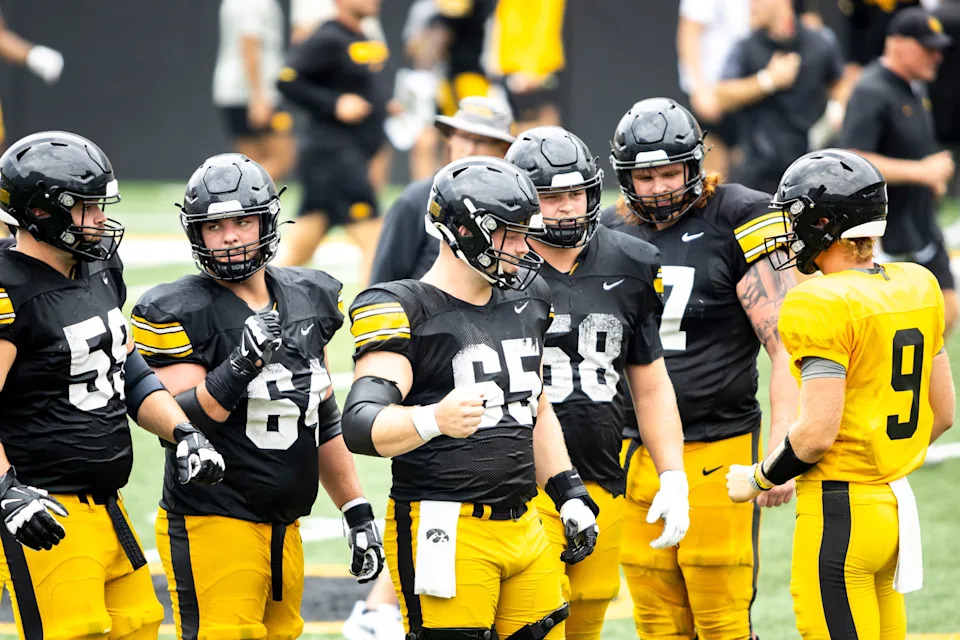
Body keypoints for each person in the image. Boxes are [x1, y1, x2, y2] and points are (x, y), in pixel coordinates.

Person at [342, 156, 600, 639]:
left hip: (525, 522)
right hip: (445, 524)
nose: (526, 247)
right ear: (465, 231)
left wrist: (569, 492)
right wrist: (432, 419)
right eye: (511, 233)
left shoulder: (531, 297)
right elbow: (360, 423)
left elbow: (535, 404)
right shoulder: (402, 306)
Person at [131, 153, 384, 639]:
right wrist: (240, 366)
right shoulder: (176, 309)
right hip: (213, 520)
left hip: (284, 524)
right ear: (196, 234)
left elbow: (321, 414)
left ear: (267, 221)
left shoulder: (311, 296)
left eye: (242, 221)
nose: (229, 236)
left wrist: (355, 508)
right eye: (215, 225)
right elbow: (176, 423)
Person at [0, 131, 226, 638]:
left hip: (107, 503)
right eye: (84, 207)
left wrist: (182, 432)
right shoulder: (8, 288)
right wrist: (6, 492)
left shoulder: (99, 267)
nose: (99, 217)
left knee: (140, 628)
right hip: (46, 507)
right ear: (41, 212)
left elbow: (125, 367)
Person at [727, 148, 955, 639]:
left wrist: (759, 479)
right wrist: (883, 460)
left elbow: (814, 436)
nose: (789, 231)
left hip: (839, 513)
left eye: (796, 218)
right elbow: (943, 414)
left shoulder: (819, 301)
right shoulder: (918, 283)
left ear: (824, 222)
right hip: (895, 508)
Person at [602, 98, 798, 640]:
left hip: (719, 442)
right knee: (656, 618)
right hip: (632, 446)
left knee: (720, 617)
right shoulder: (605, 233)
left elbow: (787, 344)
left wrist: (783, 440)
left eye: (671, 172)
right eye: (646, 176)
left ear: (695, 166)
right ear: (625, 177)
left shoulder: (739, 215)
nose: (661, 187)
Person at [505, 126, 688, 640]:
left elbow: (650, 384)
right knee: (534, 620)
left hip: (602, 475)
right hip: (520, 481)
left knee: (587, 619)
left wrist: (672, 474)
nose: (566, 207)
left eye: (575, 193)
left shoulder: (631, 261)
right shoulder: (498, 268)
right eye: (550, 196)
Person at [840, 6, 958, 335]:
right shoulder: (870, 90)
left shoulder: (914, 88)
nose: (936, 57)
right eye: (927, 48)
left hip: (921, 224)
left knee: (947, 309)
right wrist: (921, 172)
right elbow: (852, 159)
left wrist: (931, 176)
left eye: (938, 49)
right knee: (891, 329)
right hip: (888, 232)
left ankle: (919, 381)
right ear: (896, 43)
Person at [275, 0, 391, 283]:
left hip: (341, 156)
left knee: (300, 249)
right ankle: (373, 318)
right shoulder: (327, 37)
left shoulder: (360, 38)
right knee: (376, 244)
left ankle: (253, 306)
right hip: (334, 156)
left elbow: (357, 88)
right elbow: (287, 80)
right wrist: (334, 102)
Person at [370, 95, 516, 285]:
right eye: (463, 137)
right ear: (450, 139)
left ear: (504, 150)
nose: (469, 149)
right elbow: (382, 284)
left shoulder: (515, 204)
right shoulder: (416, 200)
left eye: (482, 140)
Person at [712, 0, 846, 195]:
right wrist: (767, 81)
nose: (751, 6)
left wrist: (837, 109)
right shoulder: (745, 47)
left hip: (813, 170)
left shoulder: (820, 41)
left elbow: (839, 82)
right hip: (761, 174)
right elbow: (721, 95)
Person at [213, 0, 295, 181]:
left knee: (250, 164)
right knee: (282, 157)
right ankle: (231, 192)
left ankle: (241, 199)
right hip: (252, 93)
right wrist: (258, 97)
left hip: (238, 91)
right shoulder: (253, 3)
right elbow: (249, 44)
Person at [675, 0, 751, 176]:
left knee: (748, 172)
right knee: (713, 175)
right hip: (713, 91)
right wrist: (699, 88)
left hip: (749, 90)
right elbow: (689, 32)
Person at [489, 0, 567, 132]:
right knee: (515, 131)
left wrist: (533, 69)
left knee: (544, 130)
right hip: (509, 66)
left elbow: (546, 20)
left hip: (536, 69)